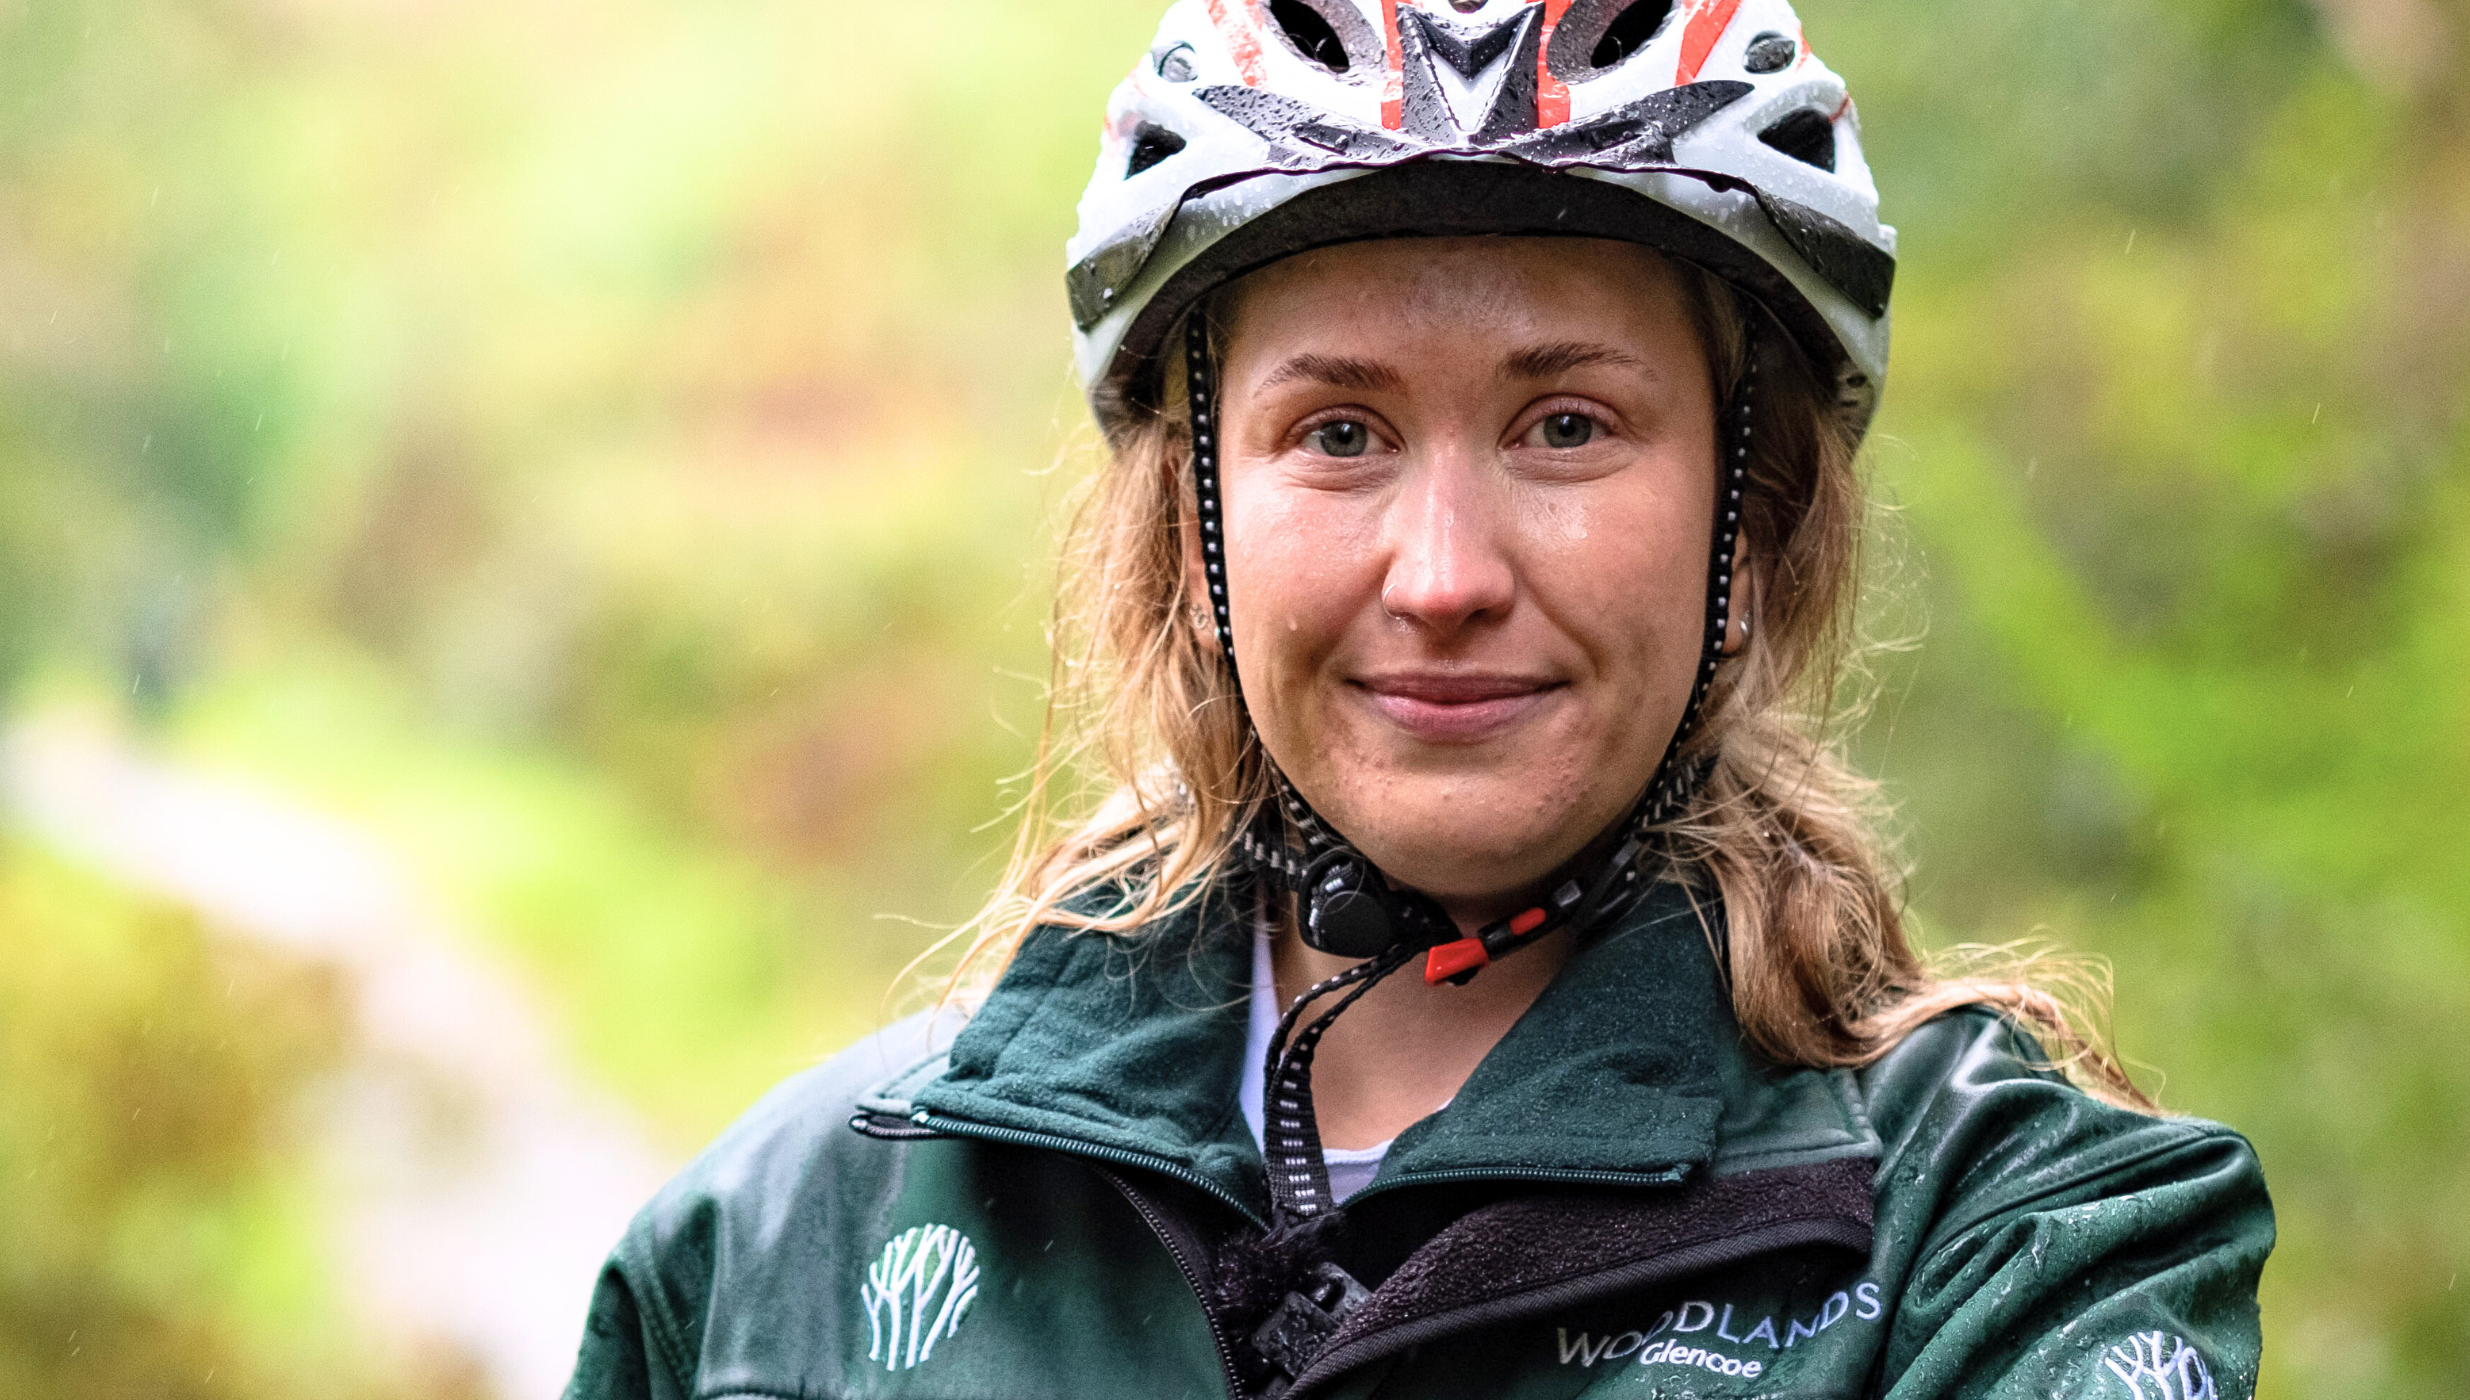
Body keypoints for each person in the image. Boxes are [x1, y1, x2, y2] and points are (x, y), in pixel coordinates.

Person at [566, 1, 2272, 1395]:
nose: (1444, 575)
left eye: (1567, 426)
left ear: (1749, 523)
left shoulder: (2013, 1248)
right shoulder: (779, 1250)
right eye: (1340, 434)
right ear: (1196, 536)